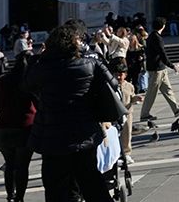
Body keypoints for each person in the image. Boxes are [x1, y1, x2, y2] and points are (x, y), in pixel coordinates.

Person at [25, 21, 119, 202]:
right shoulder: (90, 64)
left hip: (52, 137)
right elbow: (113, 84)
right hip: (83, 134)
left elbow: (26, 85)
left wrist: (39, 57)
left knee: (55, 188)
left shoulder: (41, 66)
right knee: (93, 183)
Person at [0, 51, 38, 202]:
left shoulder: (3, 80)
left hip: (4, 127)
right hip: (25, 127)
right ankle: (19, 197)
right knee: (22, 165)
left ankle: (10, 194)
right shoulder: (30, 81)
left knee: (10, 164)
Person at [140, 16, 179, 124]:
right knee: (151, 92)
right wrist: (172, 66)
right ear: (163, 26)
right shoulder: (156, 37)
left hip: (159, 68)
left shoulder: (151, 36)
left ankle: (176, 108)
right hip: (156, 69)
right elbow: (162, 53)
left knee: (168, 89)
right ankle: (144, 114)